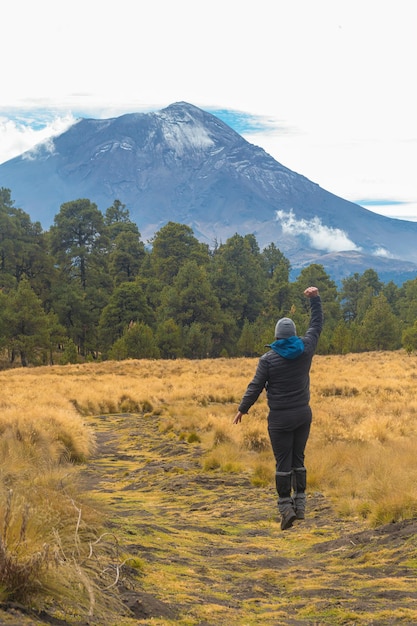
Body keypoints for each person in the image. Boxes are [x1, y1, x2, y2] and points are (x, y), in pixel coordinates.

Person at [233, 286, 323, 530]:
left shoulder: (268, 360)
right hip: (303, 414)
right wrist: (315, 300)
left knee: (283, 462)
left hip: (280, 419)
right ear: (293, 334)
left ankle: (285, 509)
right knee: (298, 458)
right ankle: (300, 504)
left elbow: (256, 386)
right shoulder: (305, 349)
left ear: (276, 336)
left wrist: (243, 408)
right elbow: (316, 325)